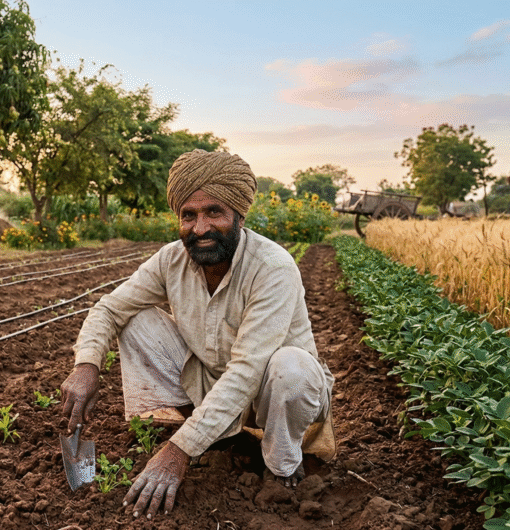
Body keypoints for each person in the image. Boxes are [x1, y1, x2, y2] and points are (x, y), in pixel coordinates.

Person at [60, 149, 335, 520]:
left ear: (239, 215)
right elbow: (109, 308)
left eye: (214, 213)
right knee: (136, 320)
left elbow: (248, 371)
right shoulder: (171, 260)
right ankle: (218, 435)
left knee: (291, 368)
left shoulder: (273, 268)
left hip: (275, 391)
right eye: (188, 215)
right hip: (209, 379)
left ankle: (282, 464)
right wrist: (87, 365)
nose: (200, 228)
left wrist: (178, 451)